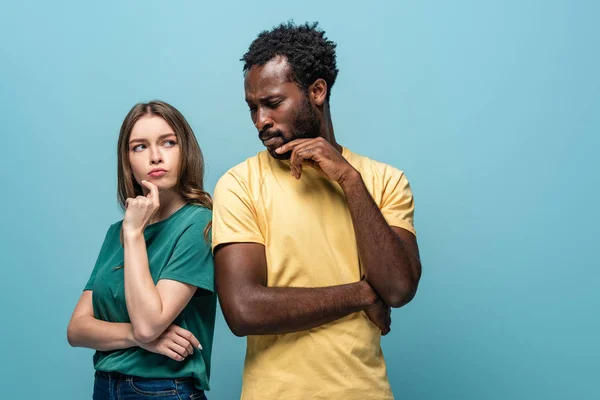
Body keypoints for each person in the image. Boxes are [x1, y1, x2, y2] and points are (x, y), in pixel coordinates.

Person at [212, 22, 422, 400]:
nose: (261, 121)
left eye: (273, 103)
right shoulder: (239, 184)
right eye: (252, 108)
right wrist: (361, 294)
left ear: (317, 91)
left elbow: (399, 287)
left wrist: (349, 181)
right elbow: (242, 309)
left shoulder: (384, 180)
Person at [67, 100, 215, 400]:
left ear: (185, 149)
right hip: (105, 386)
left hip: (163, 389)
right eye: (140, 147)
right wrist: (135, 337)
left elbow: (149, 325)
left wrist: (134, 234)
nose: (155, 157)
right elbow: (77, 329)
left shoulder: (200, 224)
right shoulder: (115, 233)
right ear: (128, 162)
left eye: (168, 143)